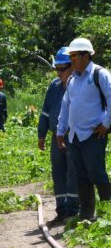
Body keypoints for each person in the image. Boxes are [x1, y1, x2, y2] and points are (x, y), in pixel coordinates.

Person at [56, 37, 111, 220]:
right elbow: (66, 106)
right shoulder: (73, 80)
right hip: (75, 137)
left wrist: (106, 124)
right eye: (71, 57)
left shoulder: (99, 74)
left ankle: (107, 213)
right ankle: (87, 215)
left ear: (86, 56)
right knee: (82, 177)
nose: (72, 60)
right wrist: (60, 130)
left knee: (97, 173)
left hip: (93, 134)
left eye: (74, 56)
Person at [37, 47, 79, 225]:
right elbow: (46, 112)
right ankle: (61, 209)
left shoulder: (78, 85)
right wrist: (41, 134)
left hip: (73, 136)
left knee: (72, 173)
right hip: (56, 136)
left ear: (72, 66)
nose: (60, 73)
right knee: (58, 173)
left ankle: (73, 210)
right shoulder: (54, 87)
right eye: (57, 69)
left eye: (63, 69)